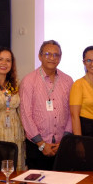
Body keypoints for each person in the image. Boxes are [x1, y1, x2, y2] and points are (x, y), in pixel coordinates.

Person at [20, 40, 73, 170]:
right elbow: (25, 114)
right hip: (37, 146)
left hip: (61, 146)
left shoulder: (68, 80)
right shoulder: (28, 80)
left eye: (56, 55)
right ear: (40, 56)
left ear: (60, 58)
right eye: (48, 54)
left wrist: (64, 142)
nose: (52, 58)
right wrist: (41, 144)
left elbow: (72, 113)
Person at [69, 46, 93, 137]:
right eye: (88, 60)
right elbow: (74, 116)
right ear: (84, 62)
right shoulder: (78, 84)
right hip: (86, 131)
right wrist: (79, 141)